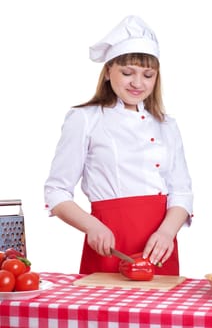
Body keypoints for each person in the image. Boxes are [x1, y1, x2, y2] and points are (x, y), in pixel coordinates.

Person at [44, 15, 193, 276]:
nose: (138, 83)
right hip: (109, 243)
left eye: (148, 75)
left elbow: (181, 192)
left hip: (159, 246)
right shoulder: (85, 119)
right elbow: (56, 192)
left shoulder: (167, 125)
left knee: (161, 315)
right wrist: (92, 226)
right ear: (108, 72)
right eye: (127, 73)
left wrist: (167, 232)